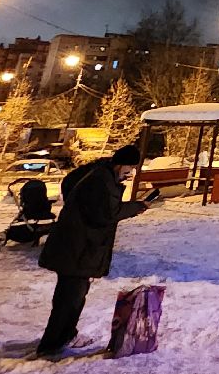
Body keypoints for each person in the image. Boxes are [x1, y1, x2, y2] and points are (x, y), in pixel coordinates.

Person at [35, 144, 148, 358]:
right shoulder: (100, 181)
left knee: (74, 296)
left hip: (80, 248)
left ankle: (65, 335)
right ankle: (51, 345)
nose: (130, 174)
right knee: (68, 299)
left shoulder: (101, 176)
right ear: (120, 164)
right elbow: (106, 213)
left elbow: (89, 201)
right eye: (129, 168)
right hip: (77, 248)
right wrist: (135, 207)